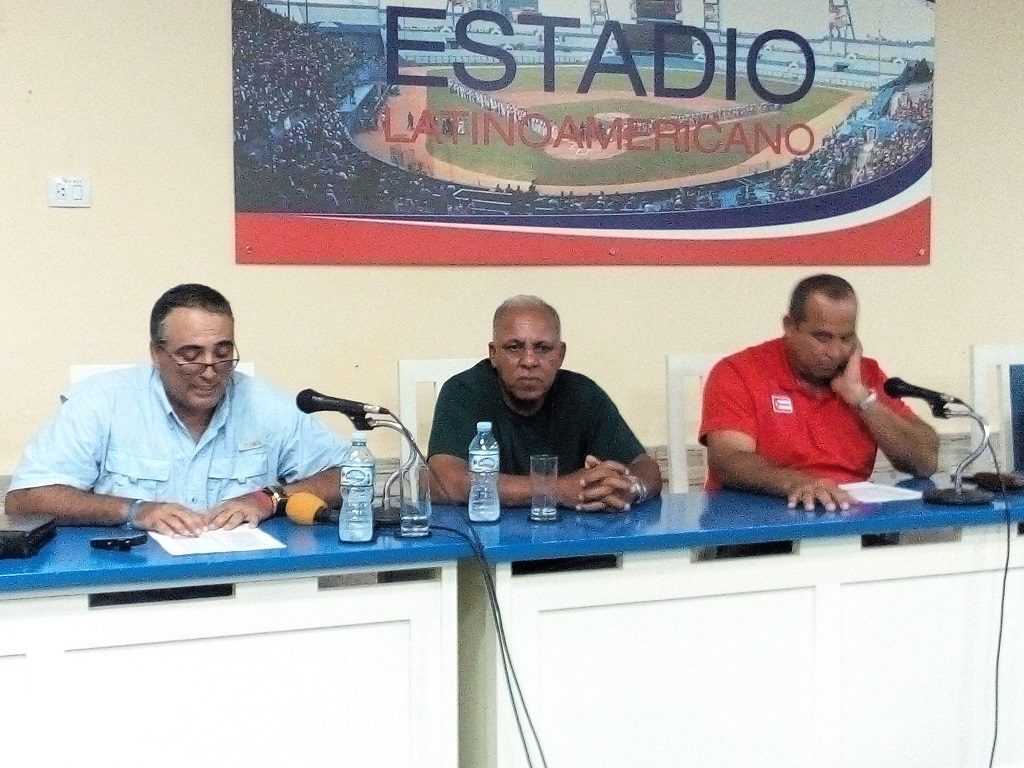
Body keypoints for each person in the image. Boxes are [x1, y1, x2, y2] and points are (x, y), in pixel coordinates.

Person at [5, 284, 347, 536]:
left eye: (222, 351)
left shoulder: (265, 405)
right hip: (127, 583)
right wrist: (133, 510)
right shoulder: (101, 402)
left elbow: (350, 475)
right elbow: (27, 499)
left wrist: (268, 498)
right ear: (157, 353)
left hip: (243, 581)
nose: (210, 369)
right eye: (191, 354)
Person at [699, 274, 938, 512]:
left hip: (849, 519)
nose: (834, 352)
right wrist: (801, 484)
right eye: (821, 338)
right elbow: (728, 460)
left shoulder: (865, 375)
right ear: (790, 327)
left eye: (845, 338)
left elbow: (925, 462)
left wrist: (862, 399)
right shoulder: (737, 372)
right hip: (756, 522)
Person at [428, 295, 662, 511]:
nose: (529, 360)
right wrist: (556, 490)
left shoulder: (583, 394)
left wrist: (629, 488)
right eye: (514, 347)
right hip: (488, 546)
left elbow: (646, 467)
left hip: (573, 541)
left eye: (543, 348)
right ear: (493, 353)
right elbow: (443, 482)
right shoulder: (464, 391)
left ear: (560, 355)